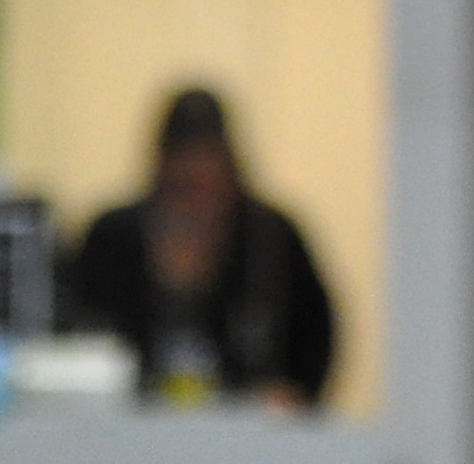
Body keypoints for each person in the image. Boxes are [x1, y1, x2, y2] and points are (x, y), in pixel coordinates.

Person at [61, 87, 337, 407]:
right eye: (184, 177)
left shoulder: (270, 237)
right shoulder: (112, 236)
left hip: (249, 429)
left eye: (207, 169)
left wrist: (297, 395)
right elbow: (76, 327)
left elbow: (317, 331)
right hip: (132, 424)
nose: (195, 192)